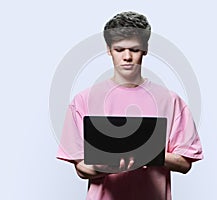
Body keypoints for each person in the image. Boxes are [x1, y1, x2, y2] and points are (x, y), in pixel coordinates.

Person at [56, 11, 203, 200]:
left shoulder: (171, 101)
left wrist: (144, 152)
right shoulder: (83, 100)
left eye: (134, 49)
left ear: (145, 49)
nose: (127, 57)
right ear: (109, 49)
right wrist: (108, 165)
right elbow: (82, 169)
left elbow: (184, 164)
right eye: (119, 50)